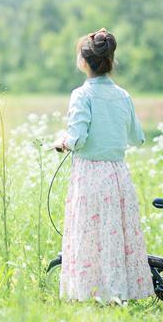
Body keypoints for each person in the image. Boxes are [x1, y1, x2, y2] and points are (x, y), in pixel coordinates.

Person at [53, 28, 154, 305]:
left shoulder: (82, 95)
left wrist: (62, 142)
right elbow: (138, 137)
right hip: (118, 175)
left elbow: (77, 139)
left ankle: (91, 294)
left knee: (89, 235)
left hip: (90, 175)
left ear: (84, 61)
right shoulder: (123, 95)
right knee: (115, 236)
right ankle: (119, 293)